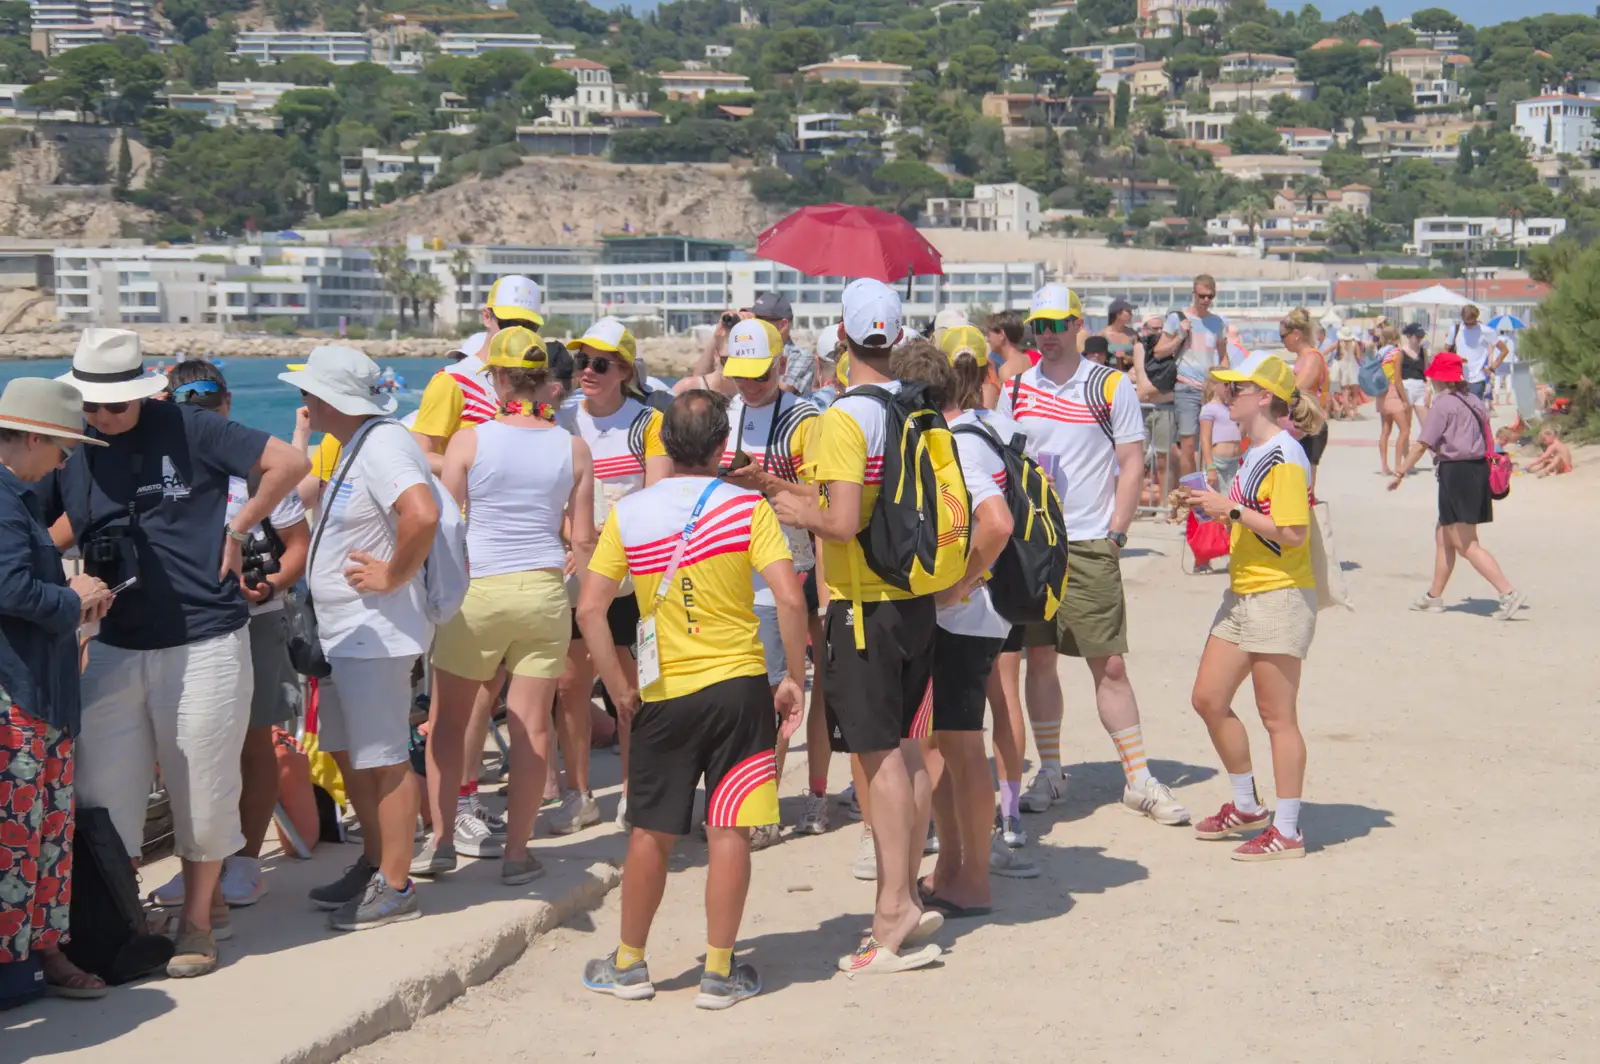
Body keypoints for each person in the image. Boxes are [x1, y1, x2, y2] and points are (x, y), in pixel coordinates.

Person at [47, 329, 308, 978]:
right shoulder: (73, 442)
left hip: (205, 638)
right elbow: (48, 522)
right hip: (114, 642)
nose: (102, 417)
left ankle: (198, 921)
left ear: (141, 392)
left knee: (202, 782)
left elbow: (289, 464)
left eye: (115, 405)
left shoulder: (190, 427)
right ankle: (122, 917)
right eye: (92, 406)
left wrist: (240, 526)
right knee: (101, 793)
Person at [577, 391, 807, 1010]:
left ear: (665, 445)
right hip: (738, 688)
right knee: (729, 828)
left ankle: (629, 964)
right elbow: (789, 598)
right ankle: (719, 971)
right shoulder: (747, 508)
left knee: (651, 831)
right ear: (721, 445)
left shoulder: (632, 512)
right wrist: (795, 678)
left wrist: (619, 688)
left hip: (662, 693)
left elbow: (591, 607)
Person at [769, 279, 944, 975]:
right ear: (897, 339)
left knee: (877, 760)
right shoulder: (912, 410)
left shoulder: (842, 418)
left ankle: (892, 910)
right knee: (903, 750)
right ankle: (904, 894)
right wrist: (792, 491)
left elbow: (840, 520)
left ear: (840, 338)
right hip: (912, 599)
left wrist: (794, 512)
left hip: (861, 606)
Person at [998, 284, 1187, 827]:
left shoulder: (1108, 385)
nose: (1049, 335)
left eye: (1058, 324)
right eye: (1040, 325)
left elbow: (1131, 462)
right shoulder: (1015, 390)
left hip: (1087, 540)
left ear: (1079, 324)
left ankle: (1138, 777)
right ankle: (1052, 770)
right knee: (1039, 659)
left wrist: (1117, 534)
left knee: (1109, 664)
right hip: (1032, 543)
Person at [413, 328, 594, 884]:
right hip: (542, 592)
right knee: (532, 727)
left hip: (480, 593)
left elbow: (445, 529)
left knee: (447, 723)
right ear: (545, 381)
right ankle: (517, 854)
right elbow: (583, 541)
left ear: (495, 377)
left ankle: (441, 841)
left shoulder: (469, 441)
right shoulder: (572, 446)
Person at [280, 347, 441, 931]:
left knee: (385, 759)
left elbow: (420, 514)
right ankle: (378, 863)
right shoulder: (358, 443)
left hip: (375, 631)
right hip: (352, 632)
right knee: (355, 757)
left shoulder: (383, 444)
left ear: (330, 398)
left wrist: (392, 575)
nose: (302, 402)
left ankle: (396, 886)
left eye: (308, 392)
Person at [145, 361, 310, 911]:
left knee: (252, 740)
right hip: (183, 625)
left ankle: (243, 862)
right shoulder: (165, 468)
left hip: (257, 621)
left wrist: (270, 587)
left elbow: (297, 549)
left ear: (227, 407)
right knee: (182, 746)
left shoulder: (260, 472)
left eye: (207, 408)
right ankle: (198, 866)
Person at [906, 333, 1038, 915]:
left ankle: (972, 878)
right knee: (952, 745)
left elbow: (997, 524)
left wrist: (960, 583)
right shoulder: (989, 428)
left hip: (966, 616)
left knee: (959, 748)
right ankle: (956, 867)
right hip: (982, 614)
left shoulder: (957, 442)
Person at [1180, 353, 1323, 861]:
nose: (1225, 395)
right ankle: (1247, 807)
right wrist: (1214, 504)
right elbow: (1256, 520)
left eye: (1236, 388)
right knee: (1208, 698)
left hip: (1278, 594)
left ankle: (1287, 831)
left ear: (1264, 397)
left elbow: (1292, 535)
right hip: (1245, 592)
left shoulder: (1285, 456)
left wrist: (1231, 509)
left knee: (1277, 717)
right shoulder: (1257, 450)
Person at [0, 378, 113, 999]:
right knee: (22, 839)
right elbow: (9, 589)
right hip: (19, 697)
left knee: (42, 835)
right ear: (34, 437)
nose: (66, 462)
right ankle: (25, 964)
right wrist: (72, 598)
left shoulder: (14, 498)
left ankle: (41, 953)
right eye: (64, 448)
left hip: (39, 694)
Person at [552, 318, 670, 835]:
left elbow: (657, 498)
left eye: (600, 364)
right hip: (577, 564)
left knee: (629, 687)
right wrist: (574, 535)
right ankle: (578, 794)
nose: (587, 372)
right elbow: (549, 491)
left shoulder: (648, 424)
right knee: (570, 684)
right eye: (581, 362)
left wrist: (602, 541)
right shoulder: (561, 421)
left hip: (630, 572)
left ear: (624, 370)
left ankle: (631, 790)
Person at [715, 319, 827, 844]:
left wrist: (763, 480)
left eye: (759, 374)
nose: (749, 385)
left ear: (782, 365)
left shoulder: (806, 417)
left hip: (789, 565)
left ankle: (766, 807)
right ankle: (741, 800)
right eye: (739, 375)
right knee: (735, 692)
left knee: (777, 690)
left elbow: (821, 498)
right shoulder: (724, 413)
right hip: (729, 566)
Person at [1390, 352, 1526, 621]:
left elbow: (1423, 443)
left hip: (1457, 473)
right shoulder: (1475, 401)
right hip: (1476, 471)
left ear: (1439, 379)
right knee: (1443, 537)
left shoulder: (1444, 404)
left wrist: (1401, 471)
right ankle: (1434, 597)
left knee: (1467, 544)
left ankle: (1507, 592)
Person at [1154, 274, 1229, 477]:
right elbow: (1159, 351)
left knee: (1208, 443)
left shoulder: (1217, 322)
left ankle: (1204, 489)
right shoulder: (1177, 319)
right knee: (1188, 444)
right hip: (1186, 387)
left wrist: (1225, 384)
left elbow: (1223, 358)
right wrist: (1180, 335)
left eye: (1210, 296)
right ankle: (1191, 493)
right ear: (1193, 294)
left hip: (1209, 389)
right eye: (1202, 296)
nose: (1205, 300)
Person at [1281, 308, 1329, 496]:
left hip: (1310, 426)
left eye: (1283, 336)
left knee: (1304, 490)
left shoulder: (1312, 357)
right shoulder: (1304, 357)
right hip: (1303, 425)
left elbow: (1299, 390)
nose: (1282, 341)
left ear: (1296, 335)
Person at [1131, 313, 1176, 507]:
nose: (1157, 332)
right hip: (1144, 409)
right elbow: (1140, 381)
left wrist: (1147, 391)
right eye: (1153, 328)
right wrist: (1152, 391)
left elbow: (1143, 387)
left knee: (1163, 460)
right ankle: (1134, 503)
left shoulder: (1171, 351)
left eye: (1161, 328)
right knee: (1137, 459)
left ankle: (1164, 504)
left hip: (1164, 409)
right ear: (1144, 329)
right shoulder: (1140, 347)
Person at [1445, 304, 1508, 403]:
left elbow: (1504, 350)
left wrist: (1492, 368)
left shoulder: (1486, 331)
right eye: (1466, 323)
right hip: (1458, 378)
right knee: (1458, 411)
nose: (1469, 326)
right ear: (1462, 318)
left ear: (1476, 319)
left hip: (1477, 379)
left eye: (1472, 323)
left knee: (1474, 411)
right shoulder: (1455, 329)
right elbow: (1446, 350)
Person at [1373, 323, 1410, 477]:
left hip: (1381, 394)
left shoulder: (1379, 353)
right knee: (1404, 430)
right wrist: (1405, 399)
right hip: (1393, 393)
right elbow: (1398, 379)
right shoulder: (1396, 353)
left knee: (1385, 431)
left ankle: (1384, 466)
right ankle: (1398, 466)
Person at [1199, 377, 1242, 495]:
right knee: (1216, 500)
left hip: (1235, 462)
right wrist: (1210, 466)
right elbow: (1205, 439)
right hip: (1218, 463)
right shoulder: (1208, 409)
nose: (1229, 388)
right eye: (1226, 384)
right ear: (1213, 386)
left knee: (1233, 498)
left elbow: (1240, 432)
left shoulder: (1232, 408)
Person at [985, 309, 1037, 384]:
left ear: (1001, 335)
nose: (987, 340)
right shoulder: (1032, 358)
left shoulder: (1006, 371)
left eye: (989, 335)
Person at [1398, 322, 1431, 430]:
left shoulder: (1423, 351)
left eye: (1421, 336)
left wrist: (1428, 389)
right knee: (1405, 428)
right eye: (1417, 336)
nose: (1420, 338)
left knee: (1427, 427)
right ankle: (1405, 448)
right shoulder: (1401, 351)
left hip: (1420, 388)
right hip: (1406, 387)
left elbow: (1427, 371)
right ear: (1409, 336)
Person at [1330, 326, 1364, 420]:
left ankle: (1349, 414)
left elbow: (1327, 351)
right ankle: (1356, 412)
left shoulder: (1339, 343)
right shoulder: (1354, 343)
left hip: (1343, 369)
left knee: (1345, 393)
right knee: (1355, 393)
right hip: (1353, 368)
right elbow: (1359, 357)